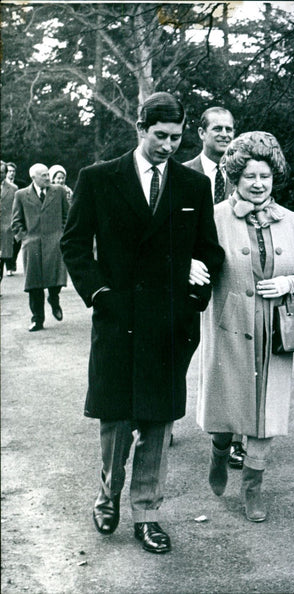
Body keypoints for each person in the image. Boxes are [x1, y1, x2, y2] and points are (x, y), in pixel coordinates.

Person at [60, 92, 225, 553]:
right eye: (160, 136)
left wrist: (196, 294)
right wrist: (99, 295)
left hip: (170, 323)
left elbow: (209, 249)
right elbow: (74, 245)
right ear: (140, 128)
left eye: (176, 138)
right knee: (116, 417)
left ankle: (148, 513)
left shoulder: (193, 187)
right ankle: (108, 495)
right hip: (118, 318)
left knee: (157, 420)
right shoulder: (98, 179)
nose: (169, 146)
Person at [196, 131, 294, 522]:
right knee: (227, 410)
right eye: (250, 176)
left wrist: (291, 281)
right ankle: (218, 451)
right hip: (230, 326)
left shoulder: (291, 220)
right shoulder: (215, 217)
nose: (259, 183)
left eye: (265, 175)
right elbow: (195, 260)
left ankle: (252, 488)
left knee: (267, 414)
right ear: (235, 177)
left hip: (275, 329)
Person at [182, 105, 242, 465]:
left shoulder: (244, 176)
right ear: (201, 133)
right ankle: (159, 420)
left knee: (231, 361)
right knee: (177, 352)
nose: (224, 134)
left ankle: (228, 438)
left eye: (229, 128)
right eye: (216, 128)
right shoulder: (181, 174)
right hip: (191, 279)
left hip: (233, 278)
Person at [11, 163, 70, 331]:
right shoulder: (21, 195)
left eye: (47, 174)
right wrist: (25, 238)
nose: (47, 178)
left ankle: (54, 299)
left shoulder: (58, 191)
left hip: (55, 242)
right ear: (33, 178)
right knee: (34, 285)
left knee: (56, 279)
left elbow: (68, 214)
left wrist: (62, 234)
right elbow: (16, 222)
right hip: (32, 244)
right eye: (43, 175)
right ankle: (37, 319)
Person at [1, 162, 21, 276]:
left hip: (9, 223)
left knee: (13, 246)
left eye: (13, 171)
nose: (11, 173)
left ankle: (10, 265)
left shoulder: (16, 187)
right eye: (9, 171)